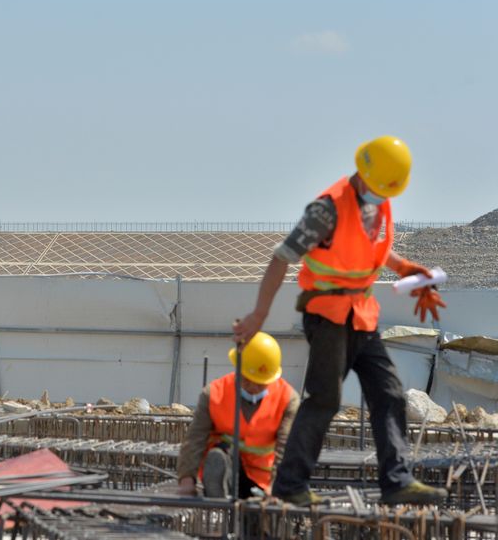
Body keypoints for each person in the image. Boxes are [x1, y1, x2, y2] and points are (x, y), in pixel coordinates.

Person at [234, 136, 447, 506]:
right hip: (328, 316)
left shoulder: (376, 206)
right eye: (380, 187)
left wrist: (405, 268)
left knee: (390, 395)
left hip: (362, 316)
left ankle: (396, 481)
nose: (384, 195)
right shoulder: (325, 210)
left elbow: (366, 249)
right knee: (324, 400)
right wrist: (258, 314)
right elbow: (282, 257)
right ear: (365, 174)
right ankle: (290, 486)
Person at [176, 332, 299, 498]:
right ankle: (217, 488)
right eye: (247, 380)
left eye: (260, 384)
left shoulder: (287, 399)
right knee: (219, 455)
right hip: (228, 469)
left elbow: (287, 447)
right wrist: (186, 479)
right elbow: (195, 438)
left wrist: (277, 486)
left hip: (264, 478)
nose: (253, 387)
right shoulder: (213, 394)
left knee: (259, 519)